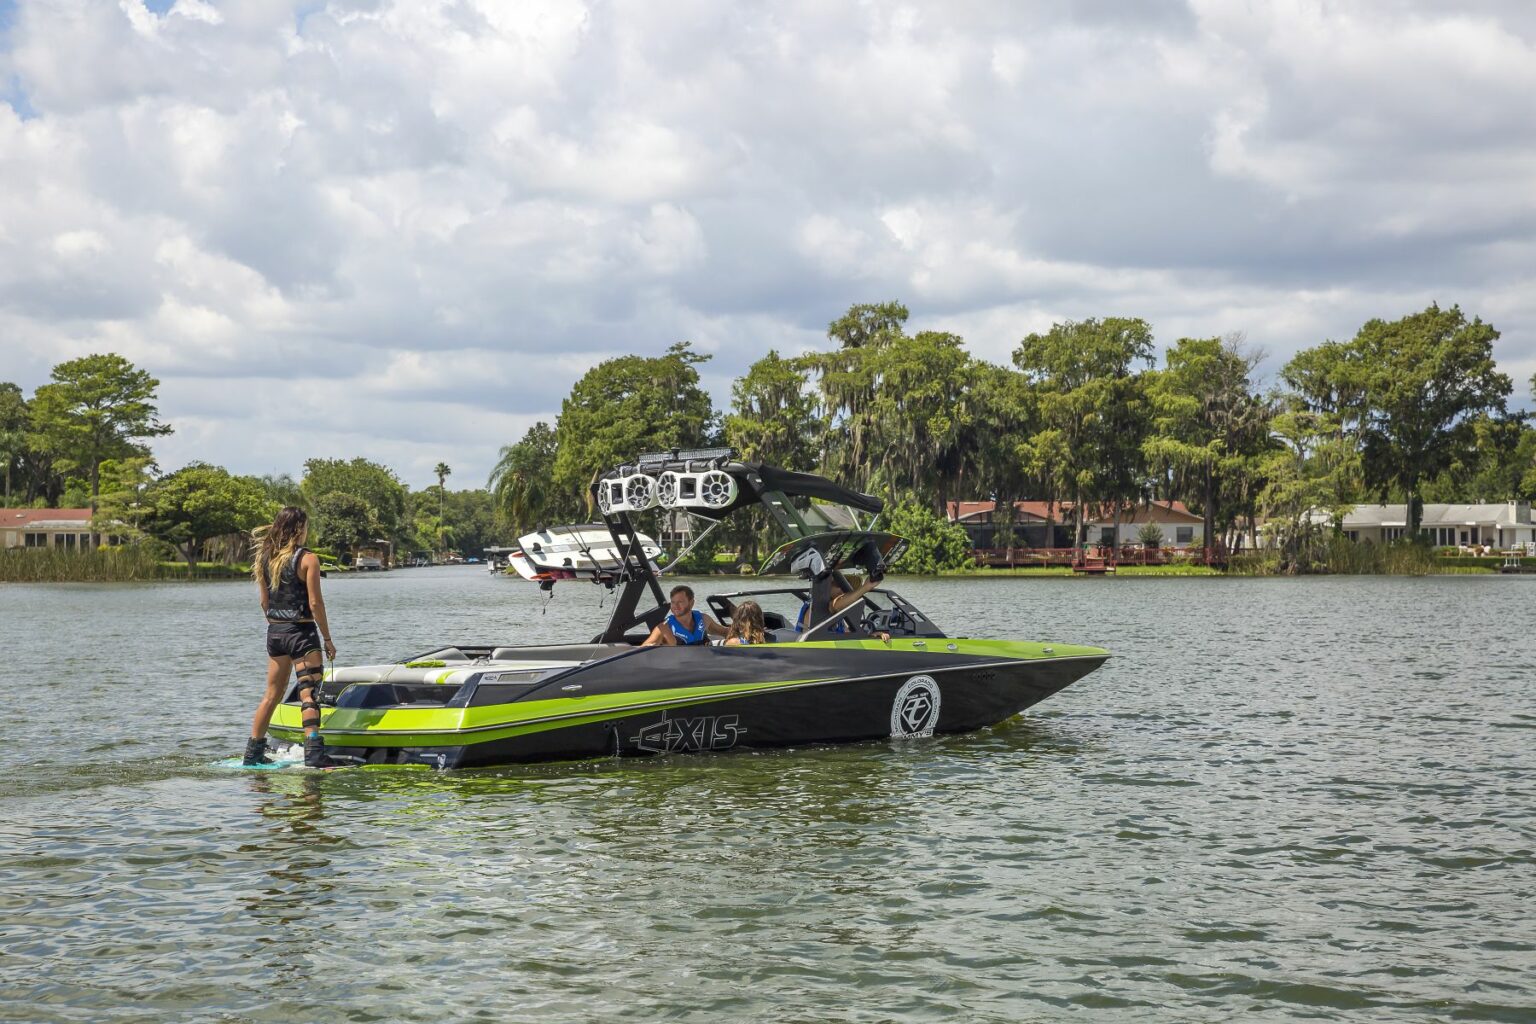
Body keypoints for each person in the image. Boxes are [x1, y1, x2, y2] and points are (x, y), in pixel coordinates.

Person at [245, 506, 338, 768]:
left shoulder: (265, 558)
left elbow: (264, 602)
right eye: (306, 526)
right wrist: (328, 639)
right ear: (299, 528)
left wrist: (278, 625)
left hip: (276, 633)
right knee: (309, 693)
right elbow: (315, 603)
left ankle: (252, 753)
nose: (308, 531)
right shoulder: (308, 559)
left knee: (271, 694)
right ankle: (315, 753)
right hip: (302, 634)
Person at [641, 584, 729, 646]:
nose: (675, 606)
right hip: (681, 669)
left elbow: (725, 632)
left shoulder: (704, 619)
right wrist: (651, 645)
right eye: (673, 602)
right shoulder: (664, 628)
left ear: (691, 603)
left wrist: (740, 632)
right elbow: (646, 647)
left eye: (680, 602)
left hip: (706, 666)